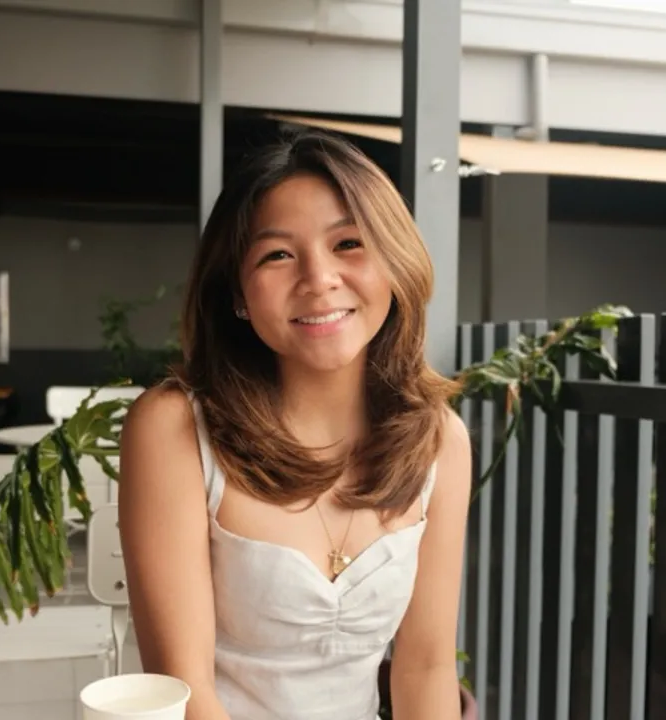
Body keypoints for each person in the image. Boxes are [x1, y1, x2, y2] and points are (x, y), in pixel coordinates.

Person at [118, 129, 472, 720]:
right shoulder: (173, 428)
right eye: (278, 255)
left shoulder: (440, 441)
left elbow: (426, 668)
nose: (319, 278)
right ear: (238, 291)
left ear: (394, 263)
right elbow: (185, 687)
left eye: (349, 243)